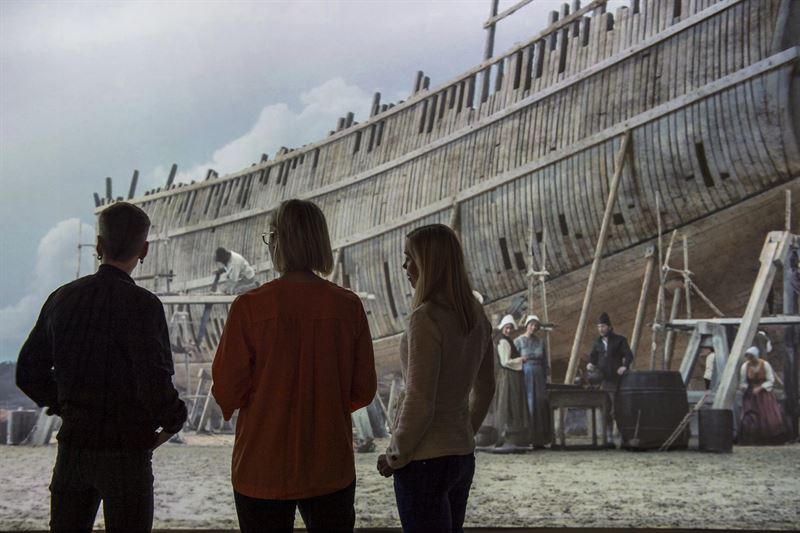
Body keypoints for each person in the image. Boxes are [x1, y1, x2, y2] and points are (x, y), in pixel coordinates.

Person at [16, 201, 187, 532]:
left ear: (98, 245)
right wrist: (173, 420)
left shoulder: (62, 298)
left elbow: (28, 373)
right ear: (144, 250)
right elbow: (154, 381)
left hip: (74, 446)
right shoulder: (145, 306)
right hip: (127, 451)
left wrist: (65, 405)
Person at [212, 199, 376, 532]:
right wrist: (322, 408)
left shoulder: (249, 307)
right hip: (330, 463)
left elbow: (227, 390)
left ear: (278, 241)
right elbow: (364, 389)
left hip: (262, 464)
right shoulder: (348, 307)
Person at [375, 224, 495, 533]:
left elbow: (419, 399)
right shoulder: (476, 315)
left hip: (424, 459)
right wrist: (464, 432)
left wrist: (395, 454)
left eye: (410, 258)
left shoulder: (426, 318)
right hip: (461, 455)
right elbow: (485, 388)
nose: (405, 266)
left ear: (429, 263)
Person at [586, 312, 633, 444]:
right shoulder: (597, 342)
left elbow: (629, 355)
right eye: (598, 327)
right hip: (603, 380)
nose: (600, 329)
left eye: (603, 326)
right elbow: (593, 359)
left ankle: (624, 436)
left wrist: (624, 366)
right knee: (605, 409)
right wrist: (590, 364)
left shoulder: (620, 340)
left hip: (617, 380)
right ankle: (609, 438)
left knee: (618, 409)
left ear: (609, 327)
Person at [493, 314, 531, 447]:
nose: (508, 330)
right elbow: (505, 361)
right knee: (509, 401)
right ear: (502, 327)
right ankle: (506, 435)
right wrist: (521, 359)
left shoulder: (506, 339)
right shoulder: (503, 341)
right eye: (507, 328)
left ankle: (513, 434)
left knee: (513, 402)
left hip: (512, 375)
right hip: (509, 376)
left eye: (510, 328)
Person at [514, 315, 551, 447]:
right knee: (529, 403)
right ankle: (527, 437)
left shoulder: (540, 342)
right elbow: (513, 360)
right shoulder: (518, 341)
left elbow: (544, 361)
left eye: (536, 326)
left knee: (540, 403)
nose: (533, 327)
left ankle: (540, 439)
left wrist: (546, 376)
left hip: (539, 374)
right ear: (527, 325)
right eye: (531, 325)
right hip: (525, 374)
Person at [738, 346, 788, 445]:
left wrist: (761, 388)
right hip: (751, 393)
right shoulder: (745, 366)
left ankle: (770, 438)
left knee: (768, 414)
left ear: (756, 356)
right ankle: (753, 437)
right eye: (749, 357)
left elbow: (771, 380)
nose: (750, 359)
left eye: (752, 357)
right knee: (751, 414)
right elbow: (743, 381)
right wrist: (744, 387)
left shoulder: (765, 364)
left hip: (764, 393)